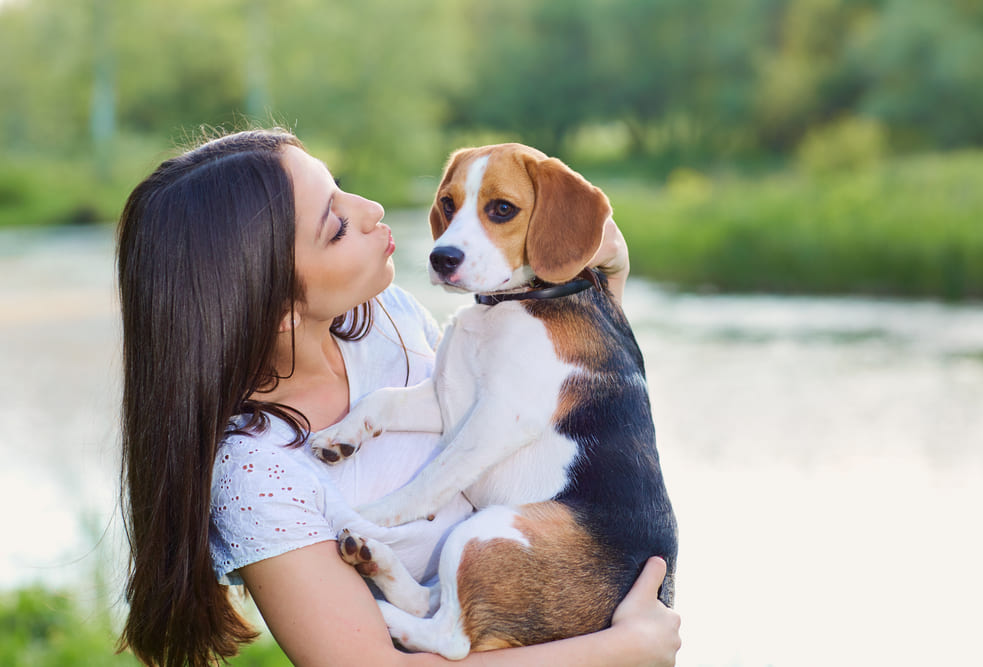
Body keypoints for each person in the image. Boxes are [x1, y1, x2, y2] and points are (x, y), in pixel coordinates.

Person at [116, 128, 681, 667]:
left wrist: (605, 290)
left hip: (555, 580)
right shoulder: (255, 473)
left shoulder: (388, 323)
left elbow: (541, 402)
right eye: (335, 225)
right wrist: (621, 652)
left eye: (342, 189)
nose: (372, 209)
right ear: (279, 309)